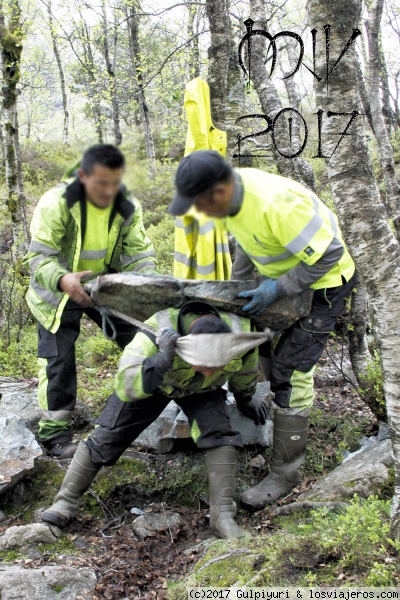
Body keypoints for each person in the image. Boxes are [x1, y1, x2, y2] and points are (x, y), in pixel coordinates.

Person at [168, 149, 356, 510]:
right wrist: (234, 294)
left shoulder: (275, 203)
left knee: (292, 368)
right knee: (266, 350)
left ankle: (286, 472)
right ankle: (282, 419)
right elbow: (249, 246)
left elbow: (330, 254)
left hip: (324, 283)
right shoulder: (229, 201)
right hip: (283, 280)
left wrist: (278, 288)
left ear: (218, 191)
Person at [40, 301, 268, 539]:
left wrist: (245, 398)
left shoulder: (240, 334)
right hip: (153, 381)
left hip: (203, 391)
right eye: (204, 366)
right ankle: (64, 503)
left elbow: (245, 369)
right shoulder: (154, 330)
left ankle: (223, 517)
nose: (210, 371)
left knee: (220, 435)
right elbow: (126, 384)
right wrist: (161, 360)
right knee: (108, 436)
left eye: (216, 367)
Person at [22, 144, 157, 459]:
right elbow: (38, 259)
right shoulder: (56, 203)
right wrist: (63, 279)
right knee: (59, 362)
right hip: (56, 292)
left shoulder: (125, 205)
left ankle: (151, 405)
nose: (108, 191)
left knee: (146, 337)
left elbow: (139, 253)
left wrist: (148, 286)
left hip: (103, 286)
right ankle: (55, 437)